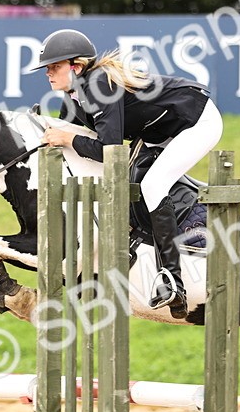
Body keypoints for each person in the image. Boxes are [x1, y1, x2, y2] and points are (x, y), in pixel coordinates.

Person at [37, 29, 222, 320]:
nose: (48, 74)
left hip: (195, 120)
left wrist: (67, 139)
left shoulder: (100, 82)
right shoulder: (72, 97)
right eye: (47, 68)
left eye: (54, 67)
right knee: (140, 182)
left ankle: (172, 278)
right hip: (159, 131)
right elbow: (72, 143)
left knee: (152, 184)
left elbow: (111, 152)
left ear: (76, 66)